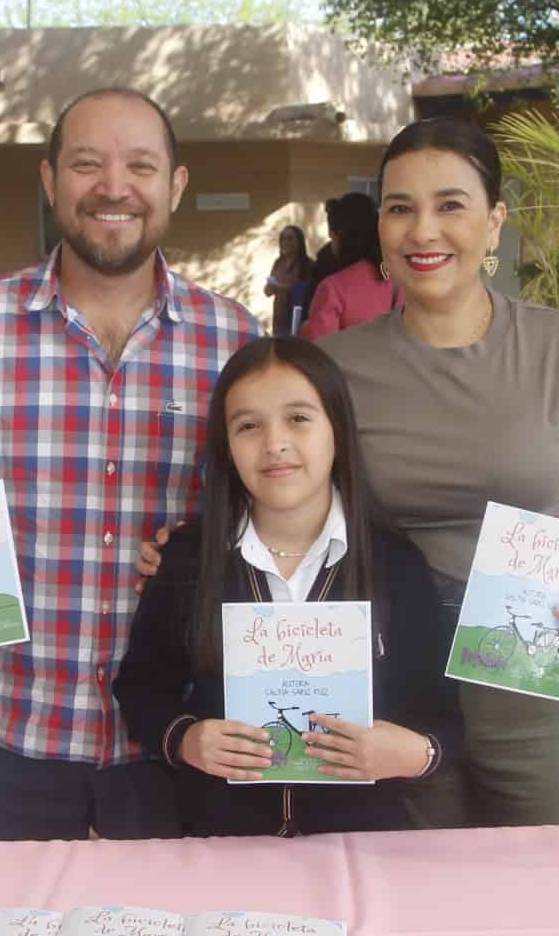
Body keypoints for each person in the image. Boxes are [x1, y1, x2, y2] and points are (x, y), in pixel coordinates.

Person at [0, 87, 261, 842]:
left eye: (140, 166)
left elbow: (270, 504)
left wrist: (201, 545)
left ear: (174, 187)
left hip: (177, 734)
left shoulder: (234, 340)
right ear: (50, 181)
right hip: (12, 731)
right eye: (87, 164)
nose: (113, 187)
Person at [321, 118, 559, 827]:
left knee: (547, 879)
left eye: (451, 205)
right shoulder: (337, 369)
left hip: (534, 656)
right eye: (399, 208)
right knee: (417, 890)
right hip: (395, 667)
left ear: (495, 223)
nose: (422, 230)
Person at [114, 336, 462, 837]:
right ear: (226, 446)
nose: (274, 443)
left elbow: (445, 720)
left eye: (298, 418)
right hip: (222, 844)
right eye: (248, 426)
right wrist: (186, 739)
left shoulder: (395, 563)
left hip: (361, 845)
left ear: (337, 428)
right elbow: (141, 689)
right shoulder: (189, 558)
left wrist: (413, 754)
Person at [300, 192, 396, 340]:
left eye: (331, 237)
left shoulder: (333, 288)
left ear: (339, 235)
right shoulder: (402, 278)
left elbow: (320, 351)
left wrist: (306, 329)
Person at [263, 225, 314, 334]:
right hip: (279, 320)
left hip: (298, 318)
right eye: (283, 238)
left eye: (290, 238)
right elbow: (268, 290)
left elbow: (310, 290)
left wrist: (284, 288)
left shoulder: (308, 264)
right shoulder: (278, 263)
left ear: (299, 241)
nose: (286, 242)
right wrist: (269, 289)